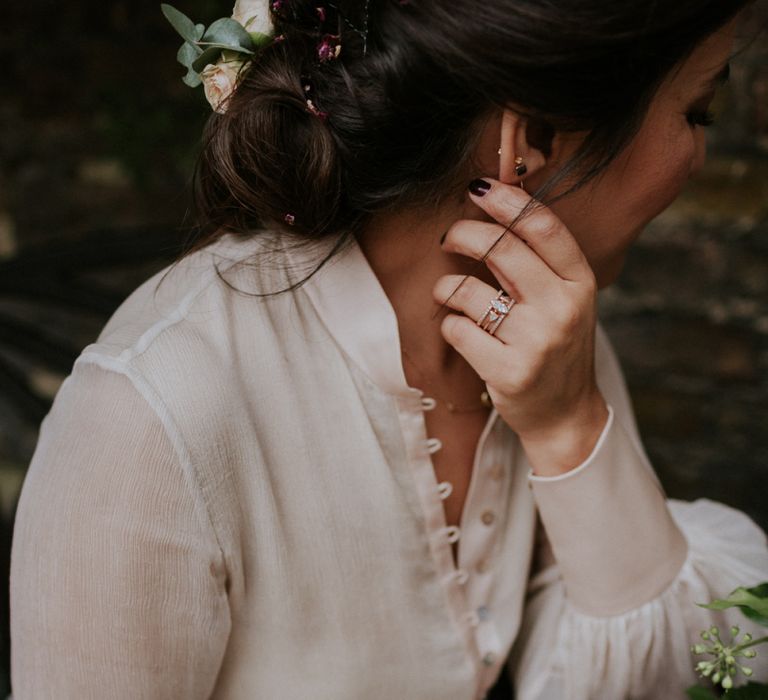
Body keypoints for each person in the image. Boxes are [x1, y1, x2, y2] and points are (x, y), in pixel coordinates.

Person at [9, 0, 768, 698]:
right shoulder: (152, 414)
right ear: (528, 140)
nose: (695, 158)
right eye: (696, 110)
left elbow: (675, 674)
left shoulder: (549, 346)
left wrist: (570, 431)